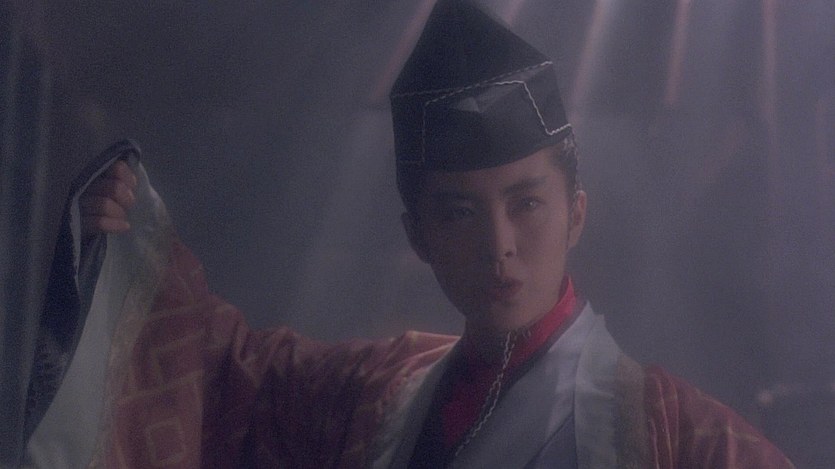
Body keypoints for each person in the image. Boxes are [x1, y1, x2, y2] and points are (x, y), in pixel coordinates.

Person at [37, 1, 794, 467]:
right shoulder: (380, 391)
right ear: (418, 235)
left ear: (576, 212)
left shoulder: (672, 435)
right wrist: (127, 241)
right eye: (459, 212)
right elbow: (222, 371)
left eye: (526, 203)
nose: (498, 245)